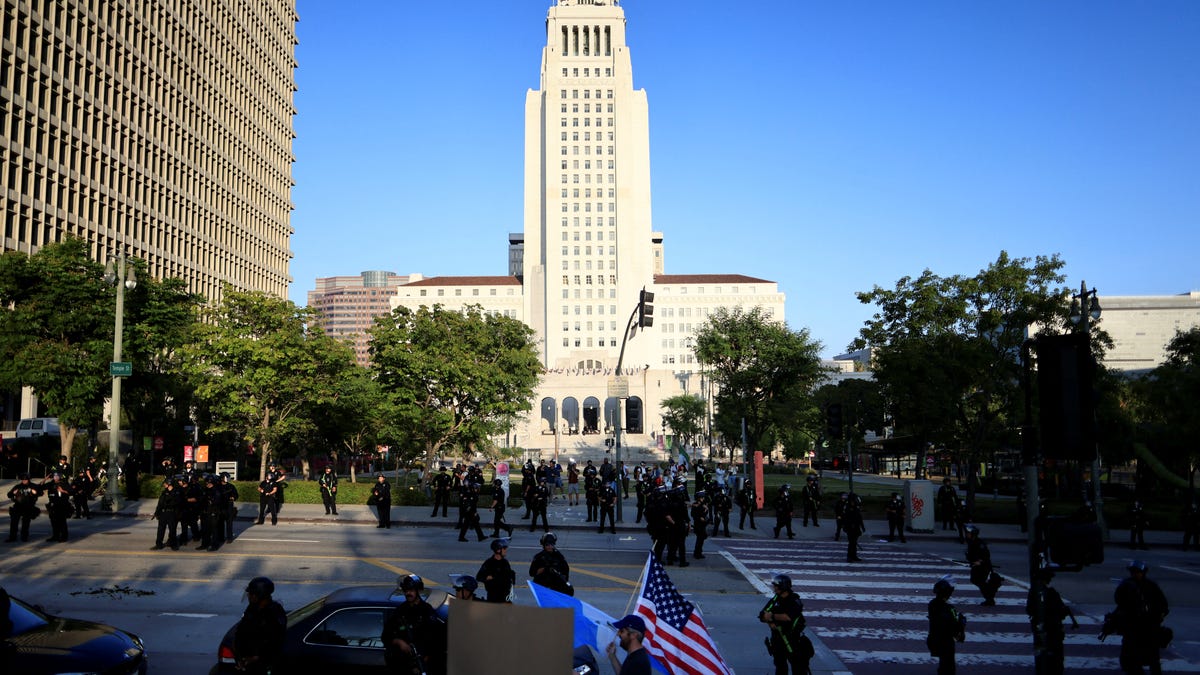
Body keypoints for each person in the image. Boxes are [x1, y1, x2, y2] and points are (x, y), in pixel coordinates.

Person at [1111, 560, 1168, 675]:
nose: (1135, 574)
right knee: (1129, 659)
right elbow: (1120, 602)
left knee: (1153, 658)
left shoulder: (1151, 586)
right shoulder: (1126, 585)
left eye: (1137, 572)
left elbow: (1163, 606)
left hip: (1149, 627)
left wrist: (1157, 618)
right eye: (1133, 572)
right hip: (1132, 627)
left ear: (1143, 572)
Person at [382, 574, 445, 675]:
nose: (408, 593)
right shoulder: (400, 611)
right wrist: (398, 642)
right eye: (406, 590)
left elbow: (438, 638)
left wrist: (426, 657)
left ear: (418, 591)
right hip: (403, 665)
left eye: (411, 590)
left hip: (425, 663)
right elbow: (385, 636)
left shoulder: (427, 611)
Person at [1025, 568, 1077, 675]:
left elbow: (1029, 610)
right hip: (1052, 628)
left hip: (1039, 627)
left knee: (1040, 650)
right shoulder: (1051, 593)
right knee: (1055, 652)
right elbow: (1060, 610)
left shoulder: (1034, 591)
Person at [232, 576, 287, 675]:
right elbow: (242, 632)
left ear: (260, 595)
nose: (249, 596)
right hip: (247, 664)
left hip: (263, 666)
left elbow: (275, 641)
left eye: (252, 594)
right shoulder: (252, 609)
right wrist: (239, 658)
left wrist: (257, 657)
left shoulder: (274, 613)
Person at [759, 574, 811, 675]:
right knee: (780, 668)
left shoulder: (794, 601)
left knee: (798, 668)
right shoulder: (776, 599)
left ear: (783, 587)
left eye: (776, 586)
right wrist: (769, 621)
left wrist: (772, 616)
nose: (774, 588)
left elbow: (788, 617)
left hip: (792, 641)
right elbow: (762, 614)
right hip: (777, 640)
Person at [927, 576, 966, 675]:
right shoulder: (949, 609)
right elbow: (954, 626)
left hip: (934, 638)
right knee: (948, 666)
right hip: (946, 641)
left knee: (943, 664)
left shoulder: (932, 604)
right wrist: (961, 623)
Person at [965, 525, 1000, 605]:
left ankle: (990, 598)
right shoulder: (971, 542)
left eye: (968, 533)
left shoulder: (979, 543)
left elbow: (986, 555)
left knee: (979, 581)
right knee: (976, 580)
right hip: (976, 566)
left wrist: (980, 561)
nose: (967, 534)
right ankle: (990, 595)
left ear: (973, 534)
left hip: (983, 567)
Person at [6, 472, 42, 543]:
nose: (24, 481)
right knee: (14, 522)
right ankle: (12, 537)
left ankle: (24, 537)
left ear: (28, 479)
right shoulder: (18, 486)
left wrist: (35, 492)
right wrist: (13, 493)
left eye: (25, 480)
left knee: (25, 523)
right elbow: (9, 495)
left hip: (28, 506)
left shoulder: (33, 486)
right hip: (18, 506)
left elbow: (41, 493)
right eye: (22, 480)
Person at [477, 537, 515, 603]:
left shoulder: (505, 562)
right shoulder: (489, 563)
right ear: (498, 550)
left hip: (505, 596)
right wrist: (487, 578)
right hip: (494, 597)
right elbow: (479, 577)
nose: (506, 550)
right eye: (504, 548)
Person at [151, 476, 181, 550]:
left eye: (165, 483)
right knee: (160, 530)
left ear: (169, 484)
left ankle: (173, 544)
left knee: (172, 530)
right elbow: (160, 504)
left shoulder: (176, 492)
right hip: (163, 513)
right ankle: (159, 544)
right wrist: (157, 513)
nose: (164, 484)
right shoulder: (164, 492)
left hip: (172, 513)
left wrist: (177, 514)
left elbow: (177, 504)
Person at [42, 472, 72, 542]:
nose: (55, 477)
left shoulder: (64, 484)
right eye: (54, 476)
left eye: (56, 476)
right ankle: (55, 536)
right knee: (54, 522)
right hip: (53, 505)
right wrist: (45, 478)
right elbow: (40, 486)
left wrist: (63, 491)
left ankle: (64, 537)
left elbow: (71, 492)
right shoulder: (51, 484)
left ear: (60, 477)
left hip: (62, 505)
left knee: (62, 521)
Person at [844, 493, 865, 562]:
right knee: (851, 543)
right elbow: (846, 519)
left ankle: (854, 556)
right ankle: (849, 557)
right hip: (850, 528)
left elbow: (859, 517)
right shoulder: (848, 508)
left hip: (856, 527)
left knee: (854, 543)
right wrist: (848, 526)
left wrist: (862, 526)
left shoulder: (856, 507)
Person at [691, 491, 710, 559]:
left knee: (701, 539)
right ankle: (697, 553)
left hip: (702, 524)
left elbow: (705, 512)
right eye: (702, 497)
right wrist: (699, 517)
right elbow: (693, 514)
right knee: (699, 539)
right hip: (698, 524)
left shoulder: (703, 504)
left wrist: (706, 510)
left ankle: (699, 552)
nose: (703, 499)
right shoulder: (695, 505)